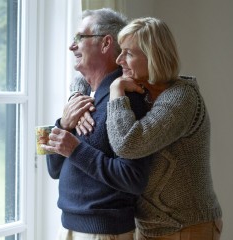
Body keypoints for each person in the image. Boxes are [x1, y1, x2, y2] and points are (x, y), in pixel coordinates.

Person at [78, 17, 223, 239]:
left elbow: (128, 145)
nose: (119, 60)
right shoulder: (141, 87)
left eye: (128, 53)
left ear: (154, 57)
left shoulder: (181, 98)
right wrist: (74, 96)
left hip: (187, 224)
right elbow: (83, 76)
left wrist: (116, 91)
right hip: (149, 225)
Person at [41, 9, 152, 240]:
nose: (72, 47)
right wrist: (62, 124)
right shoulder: (83, 97)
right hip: (70, 226)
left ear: (105, 44)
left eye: (80, 38)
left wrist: (75, 149)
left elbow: (133, 178)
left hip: (103, 233)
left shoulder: (125, 101)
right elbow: (53, 169)